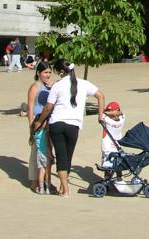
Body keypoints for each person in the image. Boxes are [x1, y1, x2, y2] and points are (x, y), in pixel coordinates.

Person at [34, 59, 106, 197]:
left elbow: (48, 107)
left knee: (61, 156)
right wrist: (100, 116)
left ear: (61, 71)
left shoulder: (58, 85)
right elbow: (100, 96)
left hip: (57, 124)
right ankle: (63, 186)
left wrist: (39, 122)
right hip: (74, 125)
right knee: (68, 156)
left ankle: (65, 190)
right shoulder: (84, 84)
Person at [26, 61, 54, 192]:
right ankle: (34, 181)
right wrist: (31, 127)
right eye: (45, 72)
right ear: (39, 73)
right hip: (37, 123)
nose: (48, 75)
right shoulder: (35, 87)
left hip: (48, 123)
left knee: (47, 152)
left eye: (49, 72)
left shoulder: (51, 87)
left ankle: (45, 180)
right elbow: (30, 108)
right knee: (36, 153)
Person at [100, 101, 126, 169]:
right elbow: (121, 113)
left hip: (107, 146)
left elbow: (101, 114)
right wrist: (114, 112)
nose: (109, 113)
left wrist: (106, 112)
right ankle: (119, 178)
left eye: (110, 111)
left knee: (108, 164)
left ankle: (107, 179)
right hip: (116, 145)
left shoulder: (106, 119)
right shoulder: (122, 118)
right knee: (116, 163)